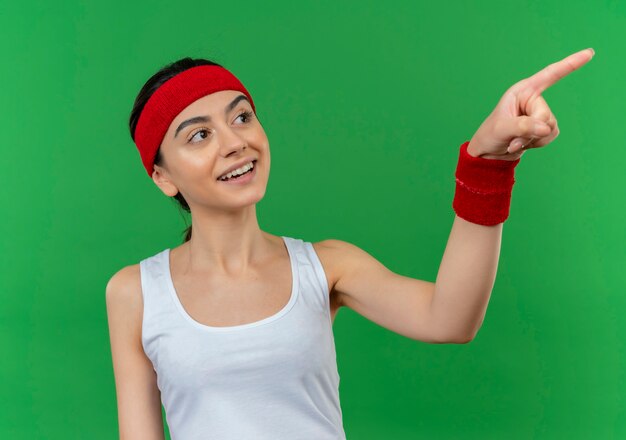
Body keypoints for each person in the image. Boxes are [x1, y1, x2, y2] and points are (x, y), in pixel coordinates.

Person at [105, 49, 594, 439]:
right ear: (162, 176)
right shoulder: (135, 293)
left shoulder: (328, 265)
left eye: (242, 117)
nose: (234, 142)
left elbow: (451, 319)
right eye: (198, 135)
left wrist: (487, 164)